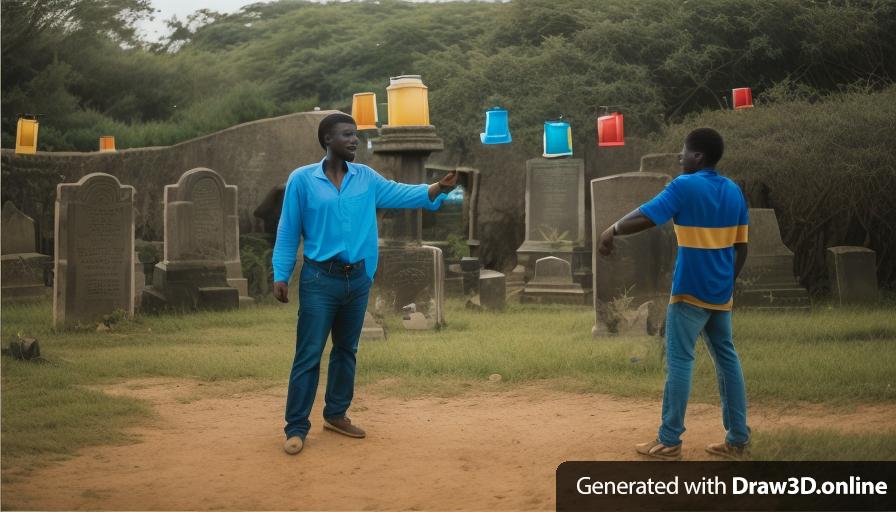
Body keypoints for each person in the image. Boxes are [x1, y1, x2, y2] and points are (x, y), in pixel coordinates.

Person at [272, 112, 457, 455]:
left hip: (356, 279)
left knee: (346, 351)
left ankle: (336, 414)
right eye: (347, 134)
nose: (354, 140)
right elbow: (288, 230)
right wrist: (280, 274)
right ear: (327, 139)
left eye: (355, 134)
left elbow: (402, 195)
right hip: (318, 280)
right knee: (309, 354)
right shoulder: (303, 180)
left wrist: (437, 189)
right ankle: (296, 427)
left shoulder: (366, 178)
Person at [597, 127, 750, 460]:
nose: (680, 157)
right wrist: (725, 281)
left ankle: (669, 440)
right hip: (720, 294)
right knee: (727, 360)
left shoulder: (685, 185)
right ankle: (737, 439)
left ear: (697, 156)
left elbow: (646, 215)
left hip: (689, 291)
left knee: (679, 361)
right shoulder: (734, 191)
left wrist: (612, 230)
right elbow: (742, 248)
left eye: (684, 151)